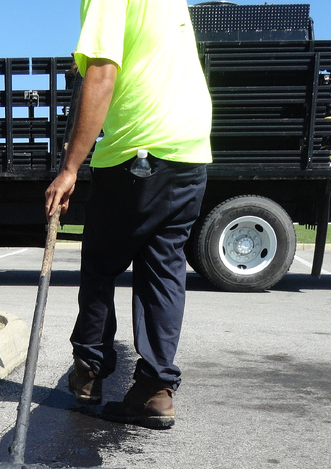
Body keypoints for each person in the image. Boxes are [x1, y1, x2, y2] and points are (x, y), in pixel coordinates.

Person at [45, 0, 211, 429]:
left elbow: (102, 75)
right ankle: (155, 391)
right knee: (164, 270)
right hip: (189, 151)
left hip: (140, 150)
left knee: (101, 262)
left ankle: (89, 372)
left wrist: (70, 169)